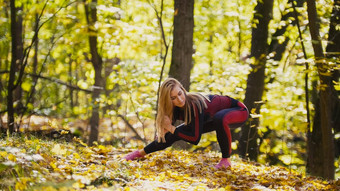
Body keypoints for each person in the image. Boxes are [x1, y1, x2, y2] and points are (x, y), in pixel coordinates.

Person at [124, 78, 249, 169]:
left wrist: (170, 128)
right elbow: (168, 136)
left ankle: (226, 160)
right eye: (173, 98)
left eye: (180, 93)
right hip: (213, 120)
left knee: (219, 118)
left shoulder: (194, 104)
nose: (179, 99)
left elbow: (195, 139)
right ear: (168, 100)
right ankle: (138, 154)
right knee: (175, 132)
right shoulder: (174, 109)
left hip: (238, 111)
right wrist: (143, 151)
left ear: (183, 90)